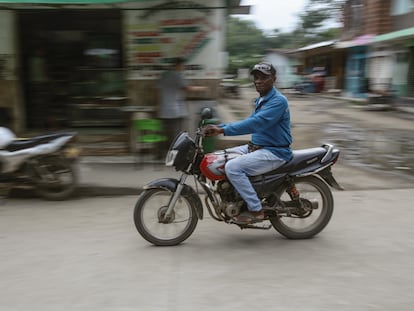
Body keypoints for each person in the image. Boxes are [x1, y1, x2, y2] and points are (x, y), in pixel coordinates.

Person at [203, 62, 293, 224]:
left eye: (264, 77)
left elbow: (255, 124)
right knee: (221, 158)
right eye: (256, 77)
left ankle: (256, 209)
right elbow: (250, 121)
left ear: (274, 79)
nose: (258, 81)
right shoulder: (262, 100)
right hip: (257, 147)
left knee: (233, 167)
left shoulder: (278, 101)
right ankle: (235, 196)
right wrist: (220, 127)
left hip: (274, 151)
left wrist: (222, 130)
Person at [158, 57, 205, 154]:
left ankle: (160, 154)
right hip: (175, 110)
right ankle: (175, 155)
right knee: (176, 134)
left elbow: (156, 90)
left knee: (164, 133)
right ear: (178, 65)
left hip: (163, 109)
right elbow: (187, 88)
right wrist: (202, 88)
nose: (183, 68)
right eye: (183, 66)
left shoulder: (164, 75)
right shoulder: (177, 75)